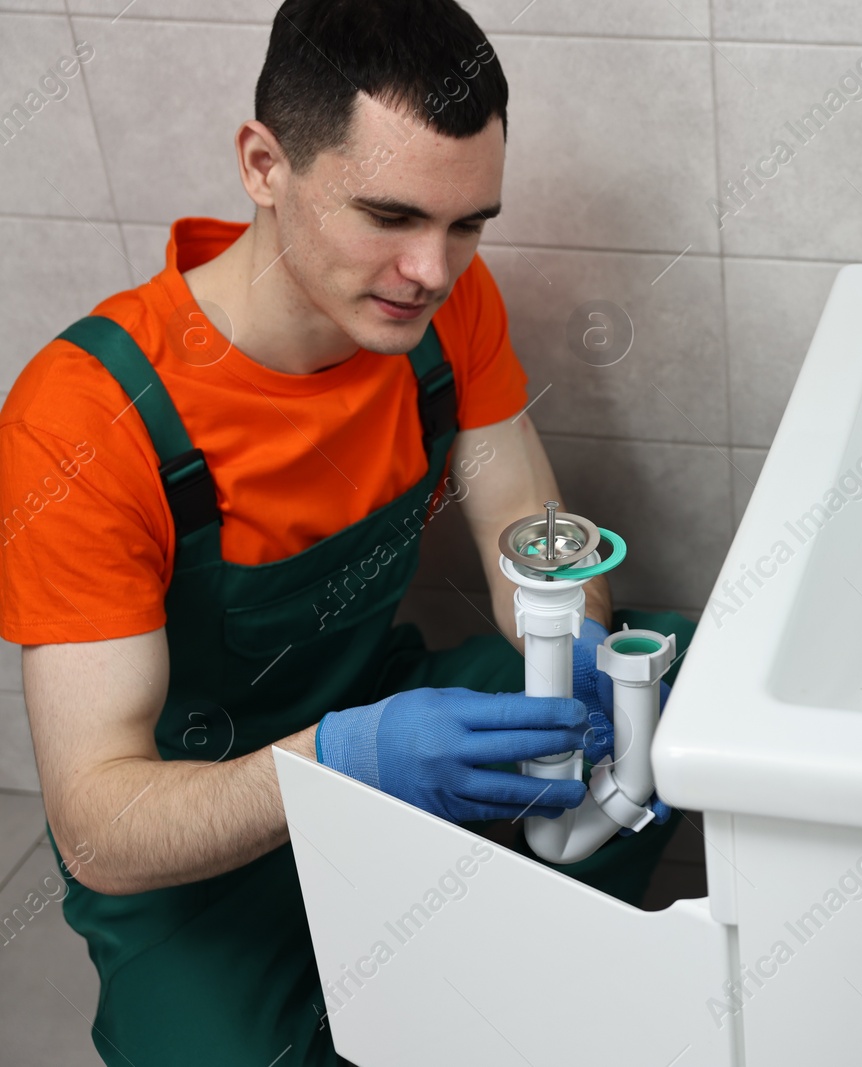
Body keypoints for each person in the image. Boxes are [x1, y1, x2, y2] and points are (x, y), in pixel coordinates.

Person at [0, 1, 684, 1063]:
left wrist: (572, 633)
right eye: (392, 216)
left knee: (687, 689)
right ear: (264, 164)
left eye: (468, 224)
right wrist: (344, 759)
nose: (433, 268)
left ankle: (493, 976)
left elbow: (522, 518)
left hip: (381, 710)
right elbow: (99, 826)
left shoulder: (436, 308)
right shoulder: (86, 420)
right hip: (198, 843)